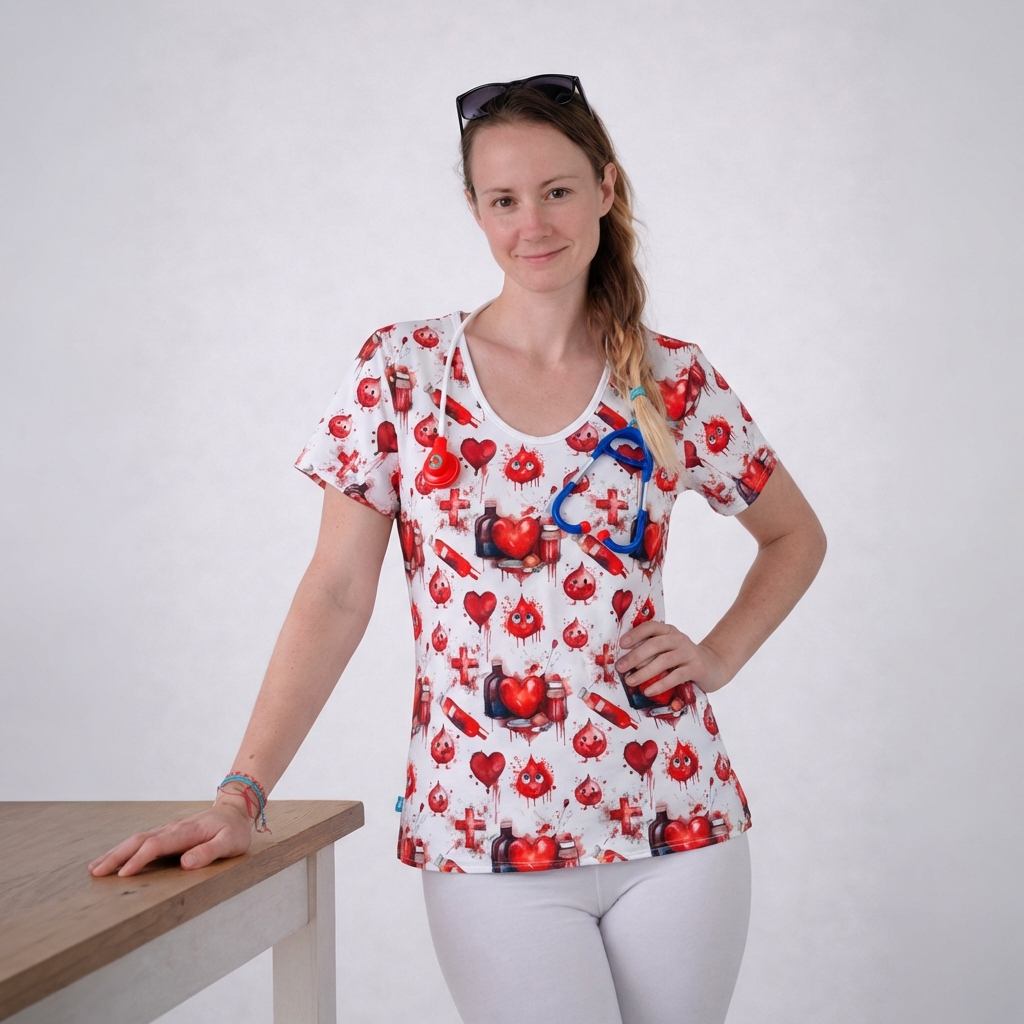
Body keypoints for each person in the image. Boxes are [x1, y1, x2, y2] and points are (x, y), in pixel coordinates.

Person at [89, 75, 826, 1024]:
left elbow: (794, 534)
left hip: (679, 818)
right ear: (475, 209)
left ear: (606, 188)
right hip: (487, 839)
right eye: (503, 199)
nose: (533, 223)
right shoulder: (404, 373)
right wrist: (242, 795)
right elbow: (336, 593)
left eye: (557, 191)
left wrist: (718, 654)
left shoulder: (672, 377)